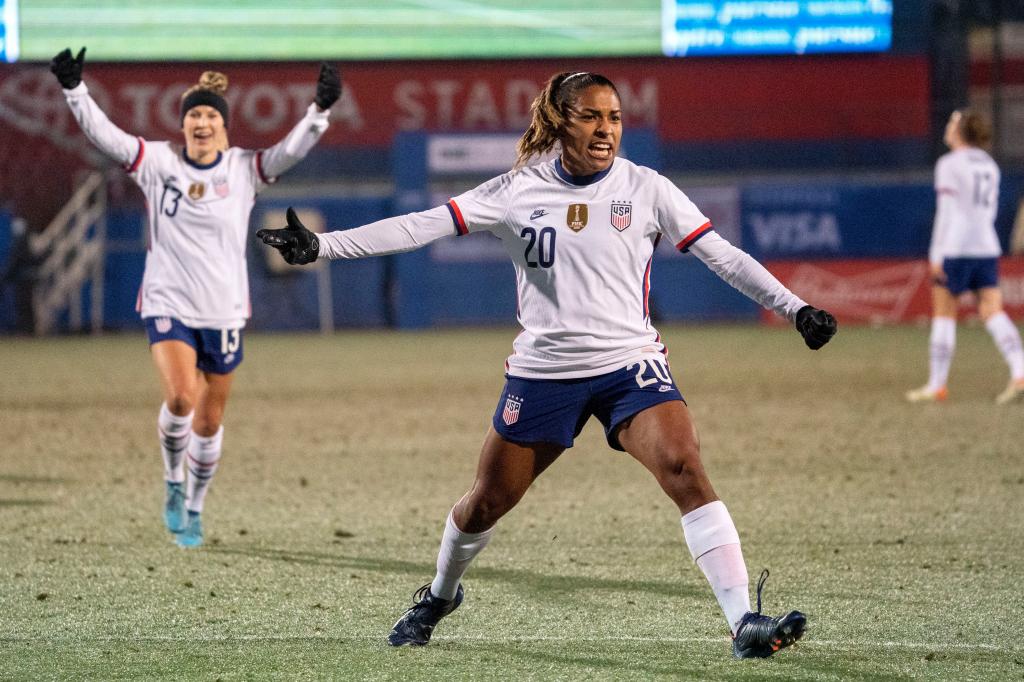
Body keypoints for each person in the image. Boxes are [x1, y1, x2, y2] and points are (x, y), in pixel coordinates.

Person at [258, 71, 837, 659]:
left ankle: (744, 625)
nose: (605, 129)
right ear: (561, 122)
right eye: (590, 116)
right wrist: (324, 247)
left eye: (613, 118)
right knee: (486, 502)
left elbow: (724, 256)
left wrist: (795, 308)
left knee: (685, 468)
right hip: (544, 374)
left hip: (629, 366)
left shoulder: (647, 188)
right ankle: (438, 596)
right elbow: (419, 225)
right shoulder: (516, 190)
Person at [50, 47, 342, 547]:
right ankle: (171, 480)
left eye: (210, 114)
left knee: (209, 420)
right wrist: (75, 90)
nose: (202, 122)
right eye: (194, 115)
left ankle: (196, 505)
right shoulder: (157, 161)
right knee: (182, 396)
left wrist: (319, 112)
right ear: (183, 125)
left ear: (224, 127)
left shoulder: (244, 168)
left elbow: (289, 152)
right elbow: (108, 137)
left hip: (224, 308)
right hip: (168, 301)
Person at [906, 108, 1024, 405]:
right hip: (986, 245)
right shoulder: (989, 164)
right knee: (992, 311)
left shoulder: (949, 164)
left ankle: (937, 385)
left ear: (960, 131)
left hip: (956, 248)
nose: (947, 127)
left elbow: (947, 212)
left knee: (944, 313)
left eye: (951, 123)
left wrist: (936, 253)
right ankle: (1020, 371)